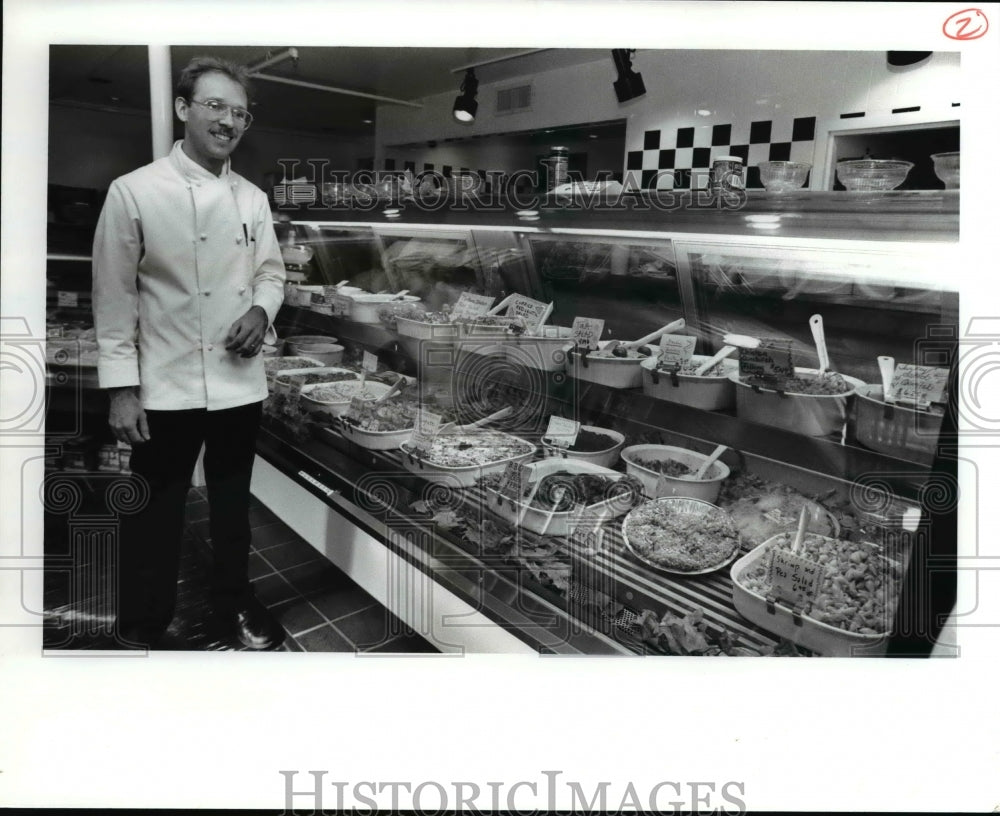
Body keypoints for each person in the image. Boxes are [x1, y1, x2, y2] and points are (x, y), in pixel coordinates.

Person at [92, 56, 286, 649]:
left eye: (240, 113)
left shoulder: (252, 199)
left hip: (237, 384)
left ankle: (235, 605)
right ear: (184, 109)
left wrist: (260, 311)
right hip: (166, 383)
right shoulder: (134, 192)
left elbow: (271, 274)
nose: (229, 121)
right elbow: (113, 296)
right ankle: (143, 624)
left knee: (232, 511)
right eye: (216, 106)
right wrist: (122, 390)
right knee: (156, 511)